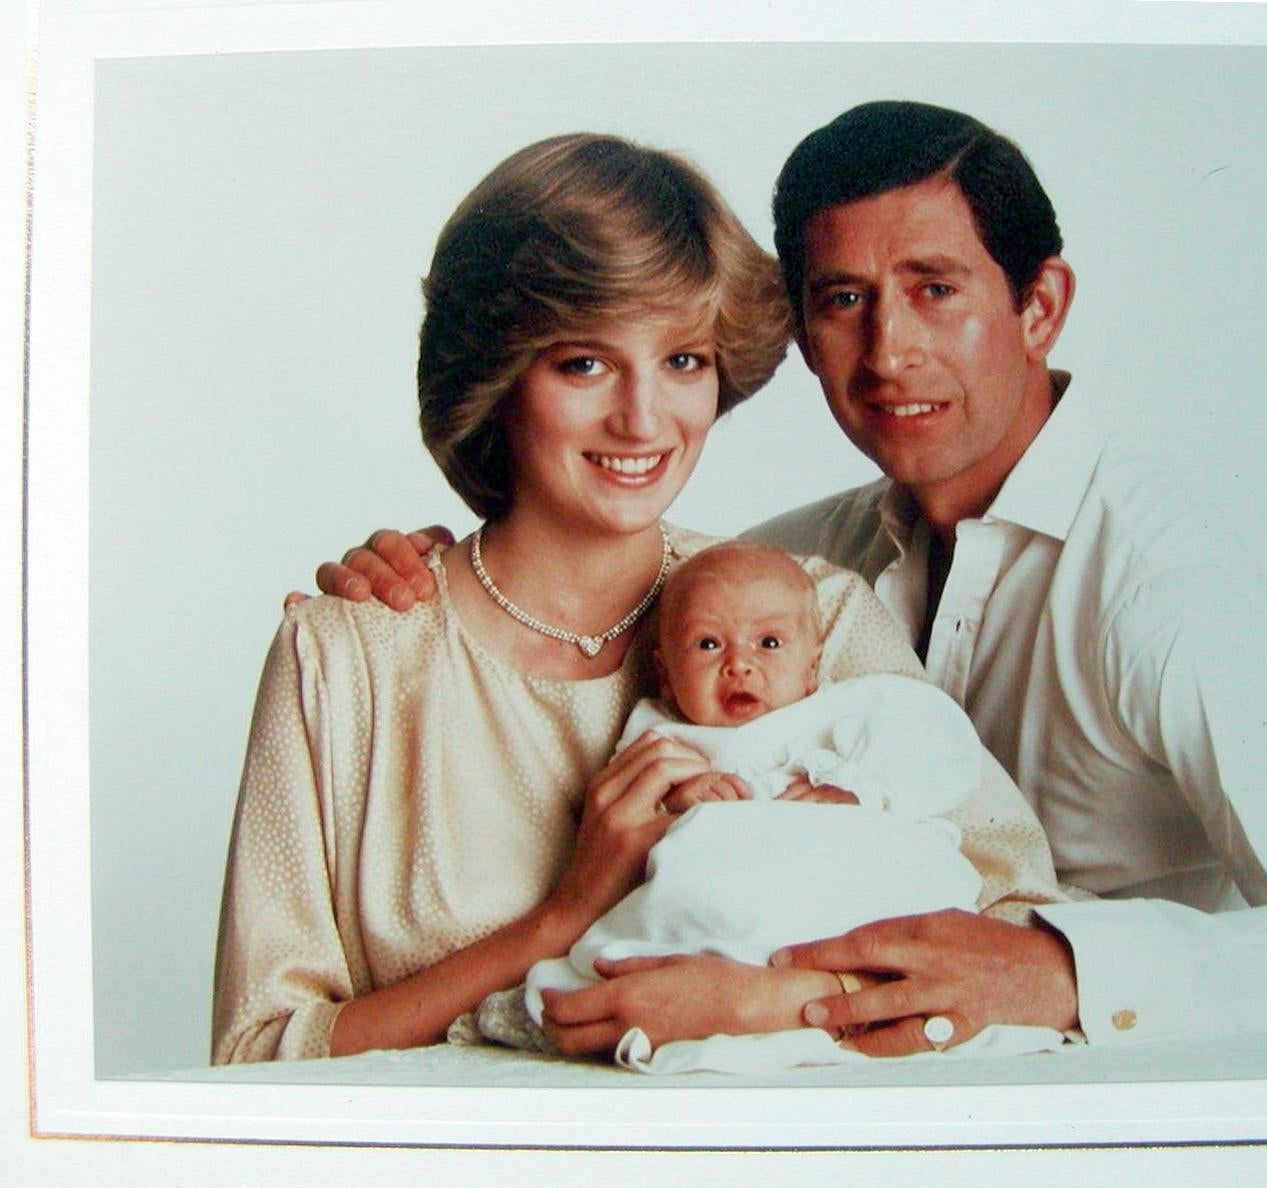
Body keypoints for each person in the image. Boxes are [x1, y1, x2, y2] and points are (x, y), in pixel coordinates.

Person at [319, 101, 1267, 1057]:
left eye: (935, 288)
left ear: (1039, 305)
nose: (887, 351)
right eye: (842, 299)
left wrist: (1057, 969)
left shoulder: (1157, 581)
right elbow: (609, 581)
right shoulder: (801, 570)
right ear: (800, 335)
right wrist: (427, 570)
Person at [213, 130, 1063, 1064]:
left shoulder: (809, 610)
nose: (643, 419)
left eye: (683, 362)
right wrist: (561, 919)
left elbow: (1011, 935)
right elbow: (260, 1053)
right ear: (496, 376)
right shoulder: (350, 656)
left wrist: (770, 1004)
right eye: (583, 363)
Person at [452, 541, 1067, 1072]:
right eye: (708, 644)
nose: (739, 664)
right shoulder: (664, 733)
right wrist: (683, 795)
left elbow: (942, 752)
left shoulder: (851, 709)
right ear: (665, 675)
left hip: (845, 880)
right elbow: (638, 806)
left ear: (813, 661)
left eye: (769, 642)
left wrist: (861, 789)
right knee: (682, 902)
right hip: (725, 902)